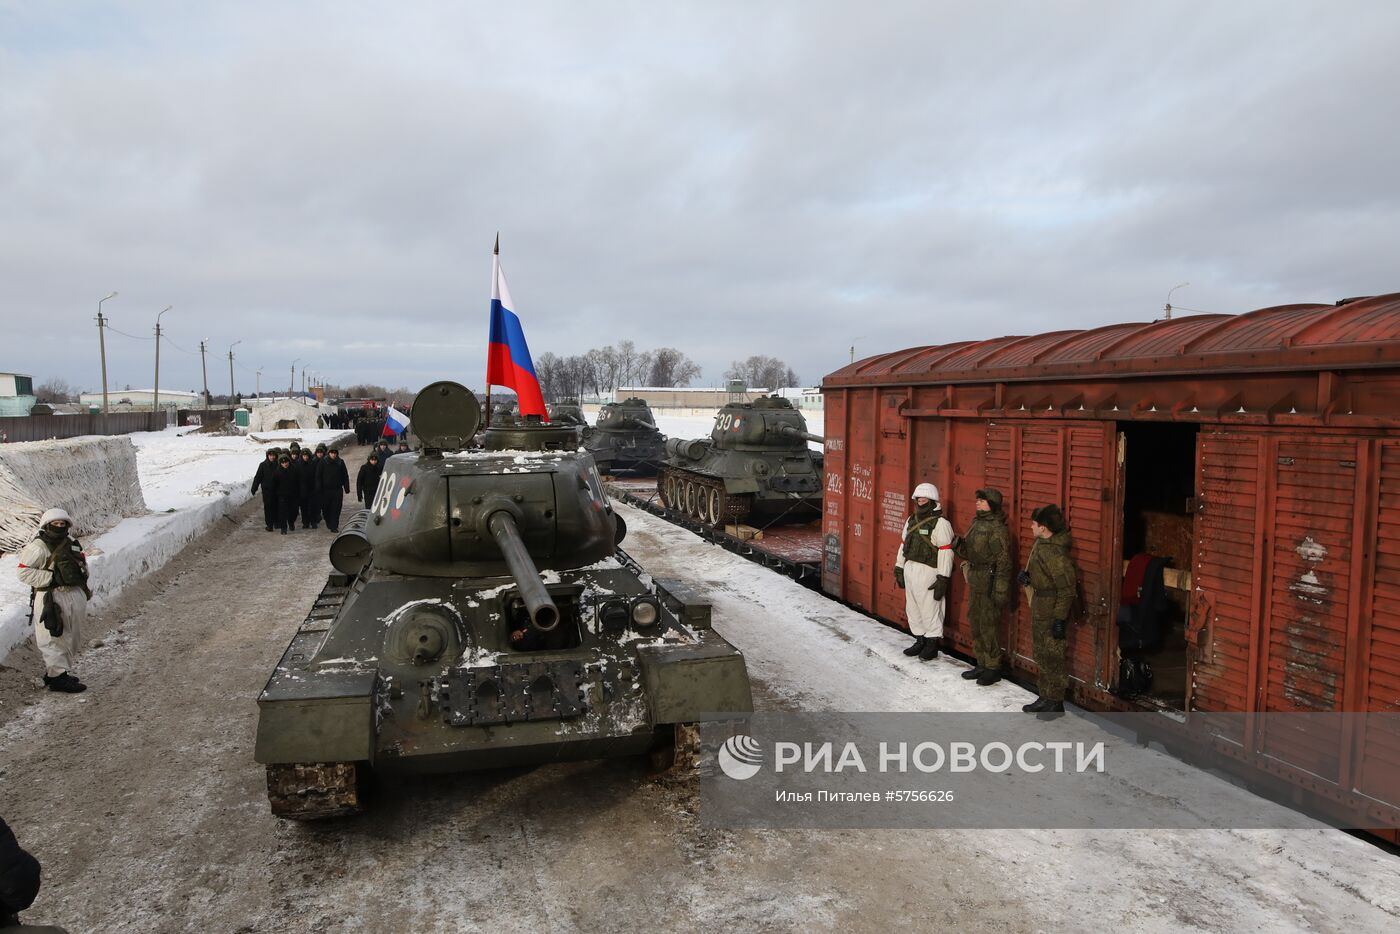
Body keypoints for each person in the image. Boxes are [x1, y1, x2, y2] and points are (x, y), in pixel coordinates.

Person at [14, 509, 90, 693]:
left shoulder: (71, 542)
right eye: (55, 524)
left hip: (73, 594)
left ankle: (57, 671)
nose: (59, 527)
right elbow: (23, 572)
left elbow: (81, 564)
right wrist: (51, 578)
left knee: (71, 634)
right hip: (51, 597)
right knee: (53, 636)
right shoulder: (38, 547)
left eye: (62, 523)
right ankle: (57, 678)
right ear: (47, 525)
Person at [1017, 504, 1077, 719]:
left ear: (1043, 528)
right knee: (1042, 652)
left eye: (1034, 524)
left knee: (1053, 654)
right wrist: (1028, 579)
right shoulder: (1041, 546)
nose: (1030, 527)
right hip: (1041, 606)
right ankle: (1045, 695)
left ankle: (1055, 702)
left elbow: (1067, 589)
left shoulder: (1054, 554)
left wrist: (1059, 618)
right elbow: (1044, 577)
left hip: (1052, 609)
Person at [954, 488, 1013, 685]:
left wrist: (1001, 590)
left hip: (989, 582)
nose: (977, 503)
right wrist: (957, 545)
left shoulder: (997, 529)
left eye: (982, 500)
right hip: (976, 580)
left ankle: (993, 666)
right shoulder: (976, 523)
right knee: (976, 621)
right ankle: (981, 662)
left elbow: (1004, 562)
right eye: (977, 500)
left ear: (992, 505)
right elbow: (970, 553)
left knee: (989, 625)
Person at [893, 482, 955, 660]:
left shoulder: (941, 523)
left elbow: (946, 552)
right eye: (918, 497)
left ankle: (931, 644)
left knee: (930, 607)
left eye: (924, 497)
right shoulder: (911, 520)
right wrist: (899, 567)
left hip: (929, 571)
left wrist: (943, 577)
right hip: (911, 568)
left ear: (932, 499)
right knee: (913, 607)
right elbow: (904, 545)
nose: (921, 500)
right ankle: (919, 639)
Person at [317, 447, 351, 532]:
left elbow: (345, 475)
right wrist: (318, 487)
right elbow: (318, 476)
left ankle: (334, 526)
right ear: (329, 453)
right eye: (332, 453)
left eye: (335, 453)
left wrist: (346, 487)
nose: (333, 455)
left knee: (336, 508)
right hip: (326, 490)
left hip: (337, 490)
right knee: (326, 508)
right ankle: (328, 521)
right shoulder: (323, 462)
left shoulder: (340, 462)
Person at [249, 448, 279, 532]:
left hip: (277, 490)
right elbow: (258, 477)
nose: (272, 457)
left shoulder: (278, 464)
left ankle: (277, 522)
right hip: (267, 491)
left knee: (277, 506)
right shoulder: (263, 465)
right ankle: (269, 525)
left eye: (273, 455)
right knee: (268, 507)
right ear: (267, 456)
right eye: (270, 455)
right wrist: (254, 488)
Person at [274, 453, 299, 534]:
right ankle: (283, 528)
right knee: (282, 512)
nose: (285, 464)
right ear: (280, 463)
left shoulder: (294, 470)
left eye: (286, 462)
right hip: (282, 496)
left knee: (294, 511)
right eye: (283, 462)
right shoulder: (277, 472)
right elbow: (274, 484)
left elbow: (299, 482)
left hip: (293, 495)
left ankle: (291, 522)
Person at [298, 448, 319, 529]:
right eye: (304, 456)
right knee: (304, 507)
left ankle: (313, 522)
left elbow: (316, 476)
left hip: (312, 489)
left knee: (312, 507)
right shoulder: (298, 464)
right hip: (302, 490)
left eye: (307, 456)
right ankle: (305, 522)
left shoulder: (313, 464)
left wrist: (316, 486)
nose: (305, 457)